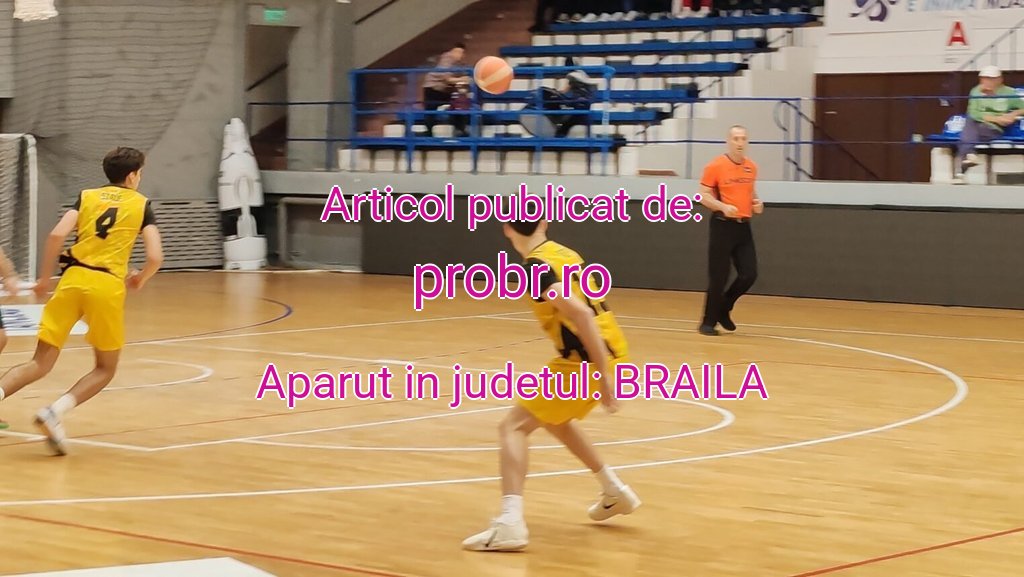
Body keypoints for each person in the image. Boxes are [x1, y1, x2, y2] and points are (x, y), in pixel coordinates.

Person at [462, 219, 641, 552]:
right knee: (555, 420)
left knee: (512, 427)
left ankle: (510, 523)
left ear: (506, 228)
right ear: (544, 222)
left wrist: (603, 376)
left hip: (585, 362)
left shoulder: (536, 268)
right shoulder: (564, 253)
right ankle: (614, 491)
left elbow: (581, 315)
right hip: (611, 351)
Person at [0, 147, 163, 454]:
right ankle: (54, 411)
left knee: (39, 362)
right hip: (106, 287)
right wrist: (140, 278)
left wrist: (45, 279)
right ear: (132, 176)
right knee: (105, 368)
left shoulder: (87, 196)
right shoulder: (141, 204)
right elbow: (155, 256)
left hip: (72, 280)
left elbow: (56, 235)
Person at [696, 125, 762, 336]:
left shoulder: (751, 167)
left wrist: (757, 203)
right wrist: (723, 207)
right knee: (719, 276)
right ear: (729, 141)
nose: (740, 143)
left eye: (743, 138)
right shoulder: (716, 166)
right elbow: (703, 195)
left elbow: (750, 192)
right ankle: (708, 322)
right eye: (736, 138)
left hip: (743, 227)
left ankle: (724, 307)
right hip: (722, 225)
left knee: (749, 274)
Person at [955, 65, 1024, 183]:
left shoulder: (1009, 92)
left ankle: (964, 166)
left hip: (993, 128)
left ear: (999, 80)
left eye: (990, 78)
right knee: (970, 122)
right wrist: (996, 118)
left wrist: (1013, 114)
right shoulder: (976, 91)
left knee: (967, 134)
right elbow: (973, 113)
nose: (986, 81)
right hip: (978, 124)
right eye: (984, 78)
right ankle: (968, 158)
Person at [421, 42, 469, 137]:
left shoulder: (459, 64)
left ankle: (460, 129)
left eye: (461, 53)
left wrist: (463, 81)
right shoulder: (447, 59)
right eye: (458, 52)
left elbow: (461, 77)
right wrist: (462, 79)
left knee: (457, 104)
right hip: (433, 88)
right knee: (430, 110)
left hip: (445, 90)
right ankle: (428, 133)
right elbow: (447, 78)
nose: (460, 55)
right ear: (453, 51)